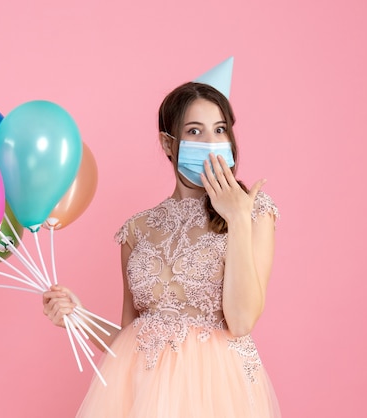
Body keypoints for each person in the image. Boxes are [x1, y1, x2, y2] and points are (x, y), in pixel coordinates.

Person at [43, 81, 281, 417]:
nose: (212, 143)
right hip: (145, 399)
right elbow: (129, 344)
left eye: (220, 129)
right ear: (168, 143)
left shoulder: (254, 210)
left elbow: (242, 321)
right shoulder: (137, 231)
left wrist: (238, 218)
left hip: (218, 398)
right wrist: (78, 318)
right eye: (195, 131)